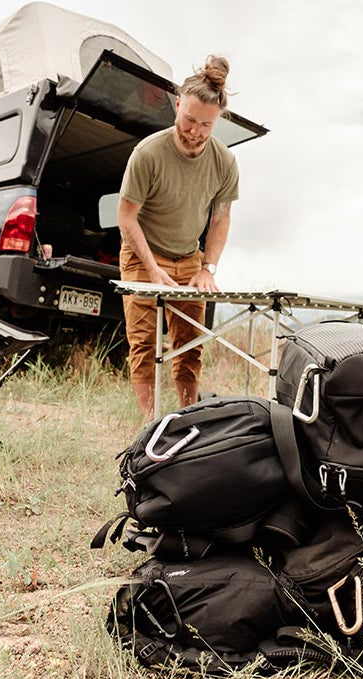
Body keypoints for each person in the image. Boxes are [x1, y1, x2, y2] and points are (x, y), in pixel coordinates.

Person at [117, 55, 238, 421]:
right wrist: (152, 269)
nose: (195, 131)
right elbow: (126, 217)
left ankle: (187, 417)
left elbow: (221, 217)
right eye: (189, 119)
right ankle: (149, 424)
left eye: (206, 124)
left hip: (189, 259)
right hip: (142, 255)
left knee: (190, 344)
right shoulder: (147, 154)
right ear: (177, 105)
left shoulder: (225, 162)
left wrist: (208, 268)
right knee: (144, 343)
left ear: (217, 121)